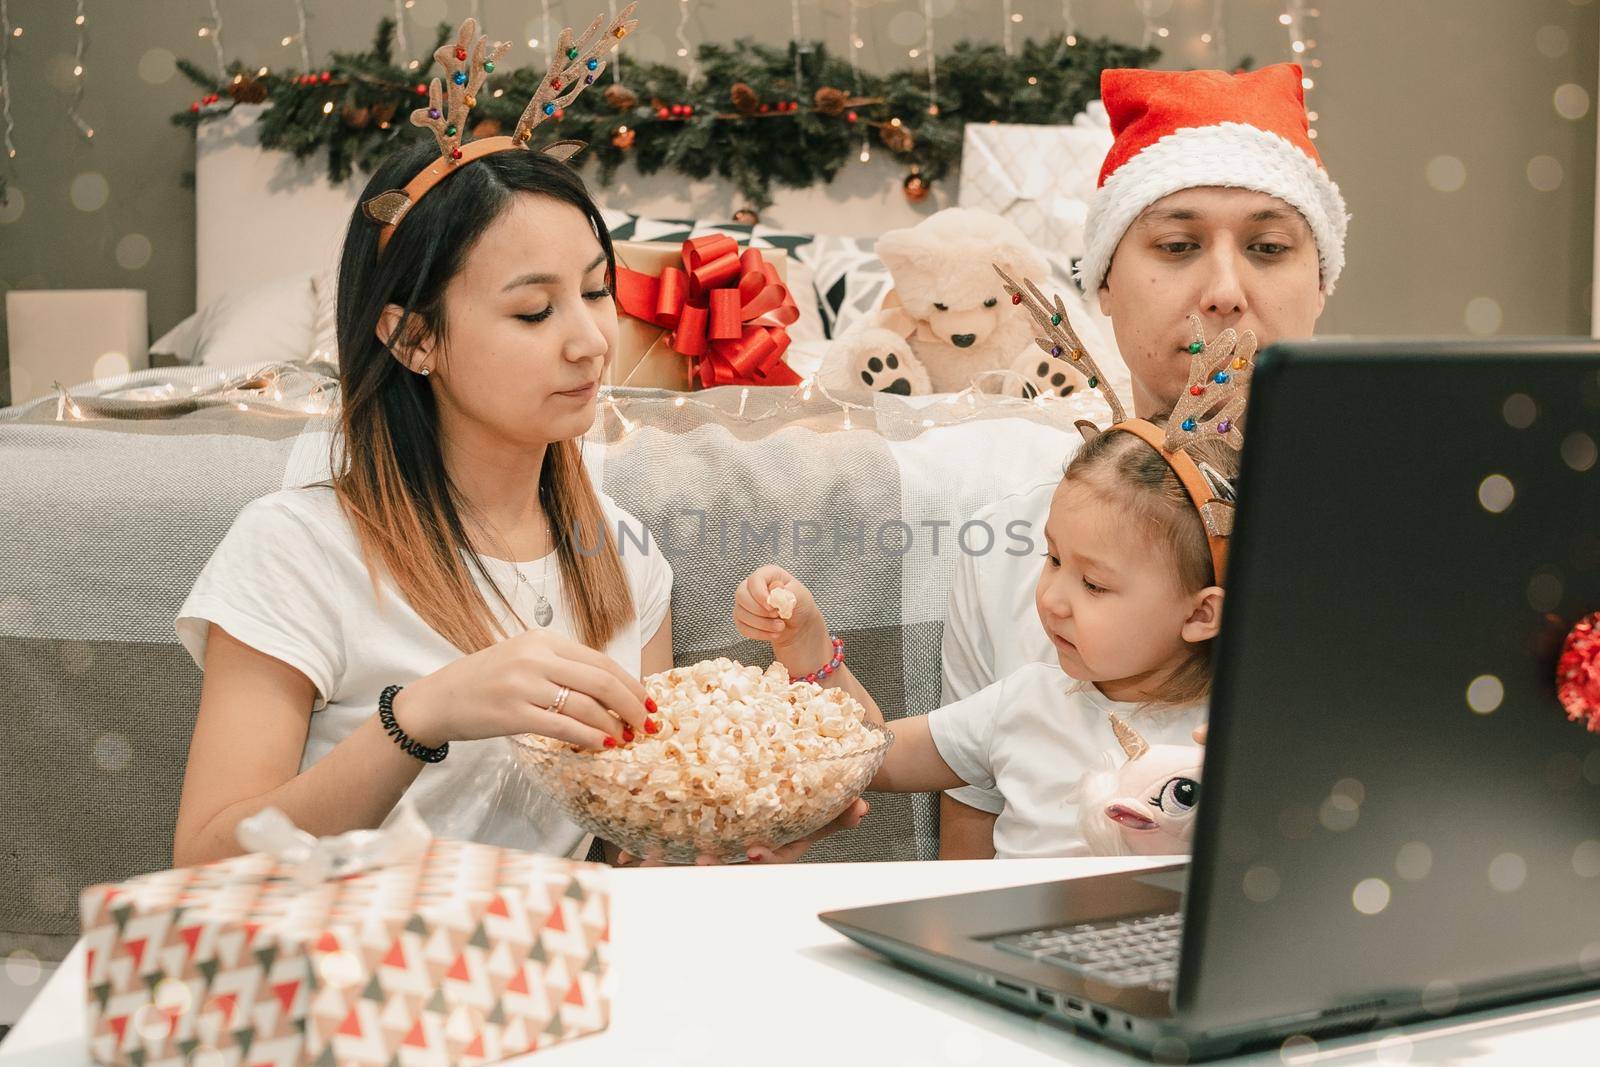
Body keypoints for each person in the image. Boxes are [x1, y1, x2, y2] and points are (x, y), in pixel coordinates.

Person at [171, 20, 863, 867]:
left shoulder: (618, 554)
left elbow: (618, 848)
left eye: (597, 290)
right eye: (534, 310)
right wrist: (419, 715)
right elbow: (206, 862)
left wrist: (727, 835)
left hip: (562, 974)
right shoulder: (295, 550)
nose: (590, 341)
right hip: (363, 976)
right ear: (411, 338)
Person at [940, 61, 1347, 857]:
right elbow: (971, 833)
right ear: (1104, 284)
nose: (1225, 290)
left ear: (1320, 284)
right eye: (1177, 243)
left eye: (1268, 246)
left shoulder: (1386, 536)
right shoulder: (1009, 547)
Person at [736, 413, 1237, 857]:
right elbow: (871, 754)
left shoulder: (1239, 734)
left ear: (1199, 616)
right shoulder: (1023, 704)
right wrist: (808, 644)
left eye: (1094, 585)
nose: (1052, 599)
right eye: (1054, 559)